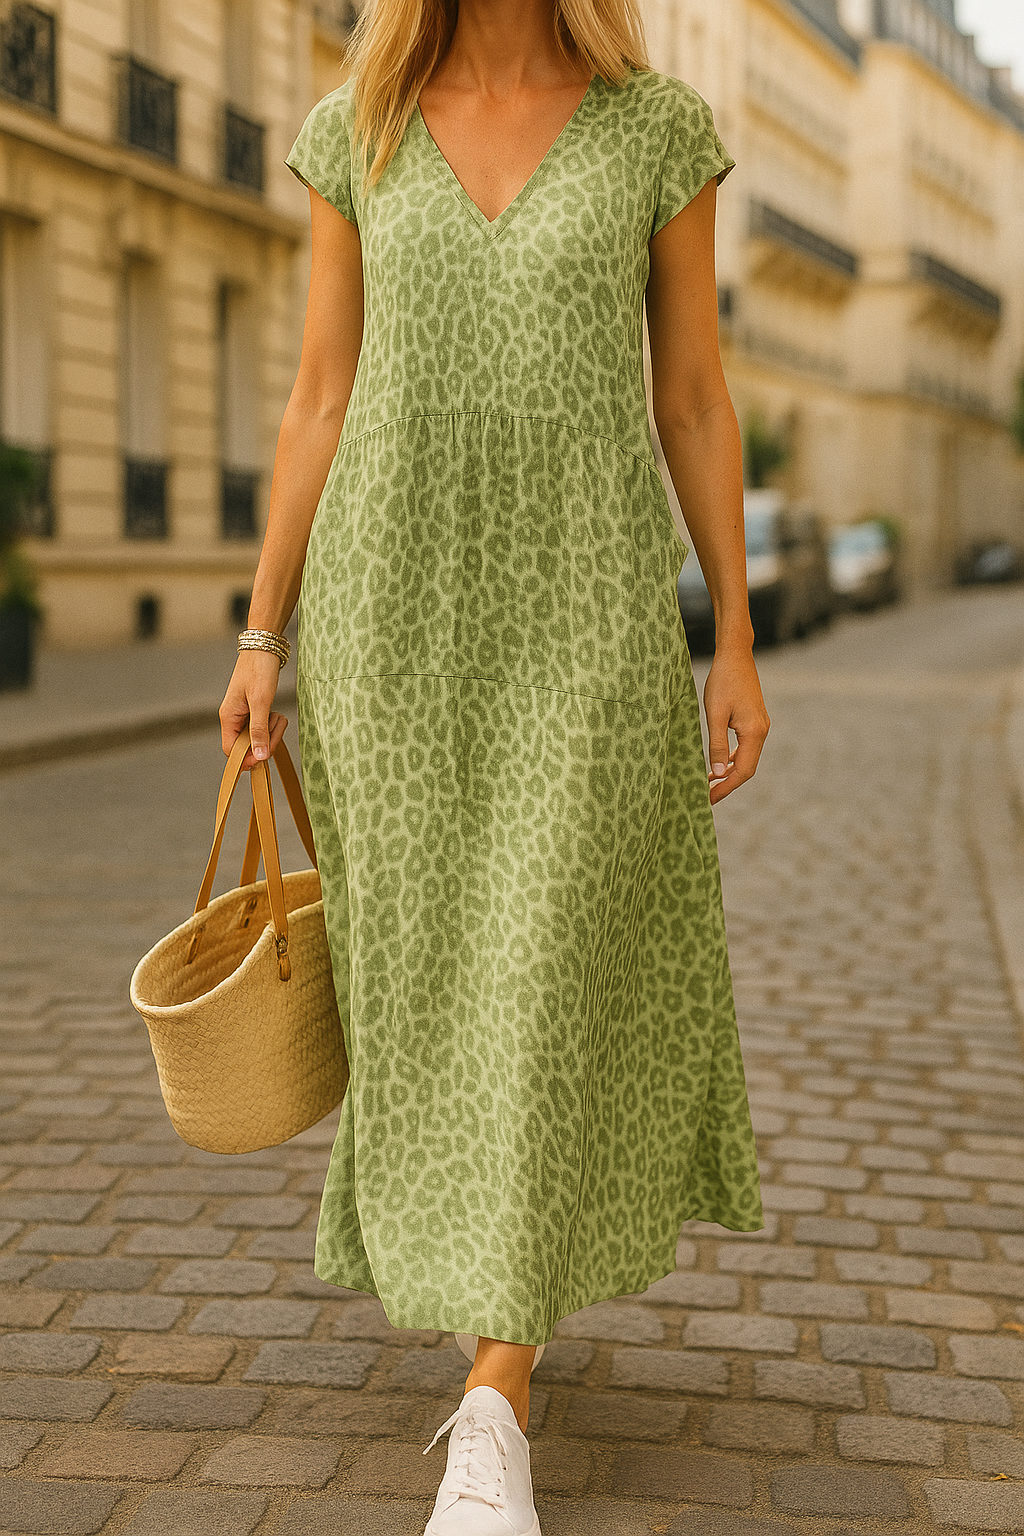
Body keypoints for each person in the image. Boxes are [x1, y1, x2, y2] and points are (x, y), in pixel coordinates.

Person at [218, 0, 770, 1528]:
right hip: (393, 625)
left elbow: (694, 393)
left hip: (589, 620)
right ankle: (493, 1343)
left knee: (540, 969)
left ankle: (494, 1397)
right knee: (441, 985)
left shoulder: (655, 134)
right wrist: (262, 636)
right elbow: (322, 393)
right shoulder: (361, 129)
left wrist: (732, 631)